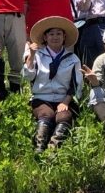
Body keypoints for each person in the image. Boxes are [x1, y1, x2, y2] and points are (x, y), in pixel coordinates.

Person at [24, 16, 82, 152]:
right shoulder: (37, 55)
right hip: (41, 98)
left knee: (64, 116)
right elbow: (27, 76)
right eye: (51, 34)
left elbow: (76, 84)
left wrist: (66, 102)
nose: (55, 37)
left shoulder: (72, 59)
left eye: (58, 34)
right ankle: (39, 147)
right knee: (46, 114)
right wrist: (31, 56)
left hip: (63, 98)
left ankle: (53, 149)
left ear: (64, 36)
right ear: (45, 37)